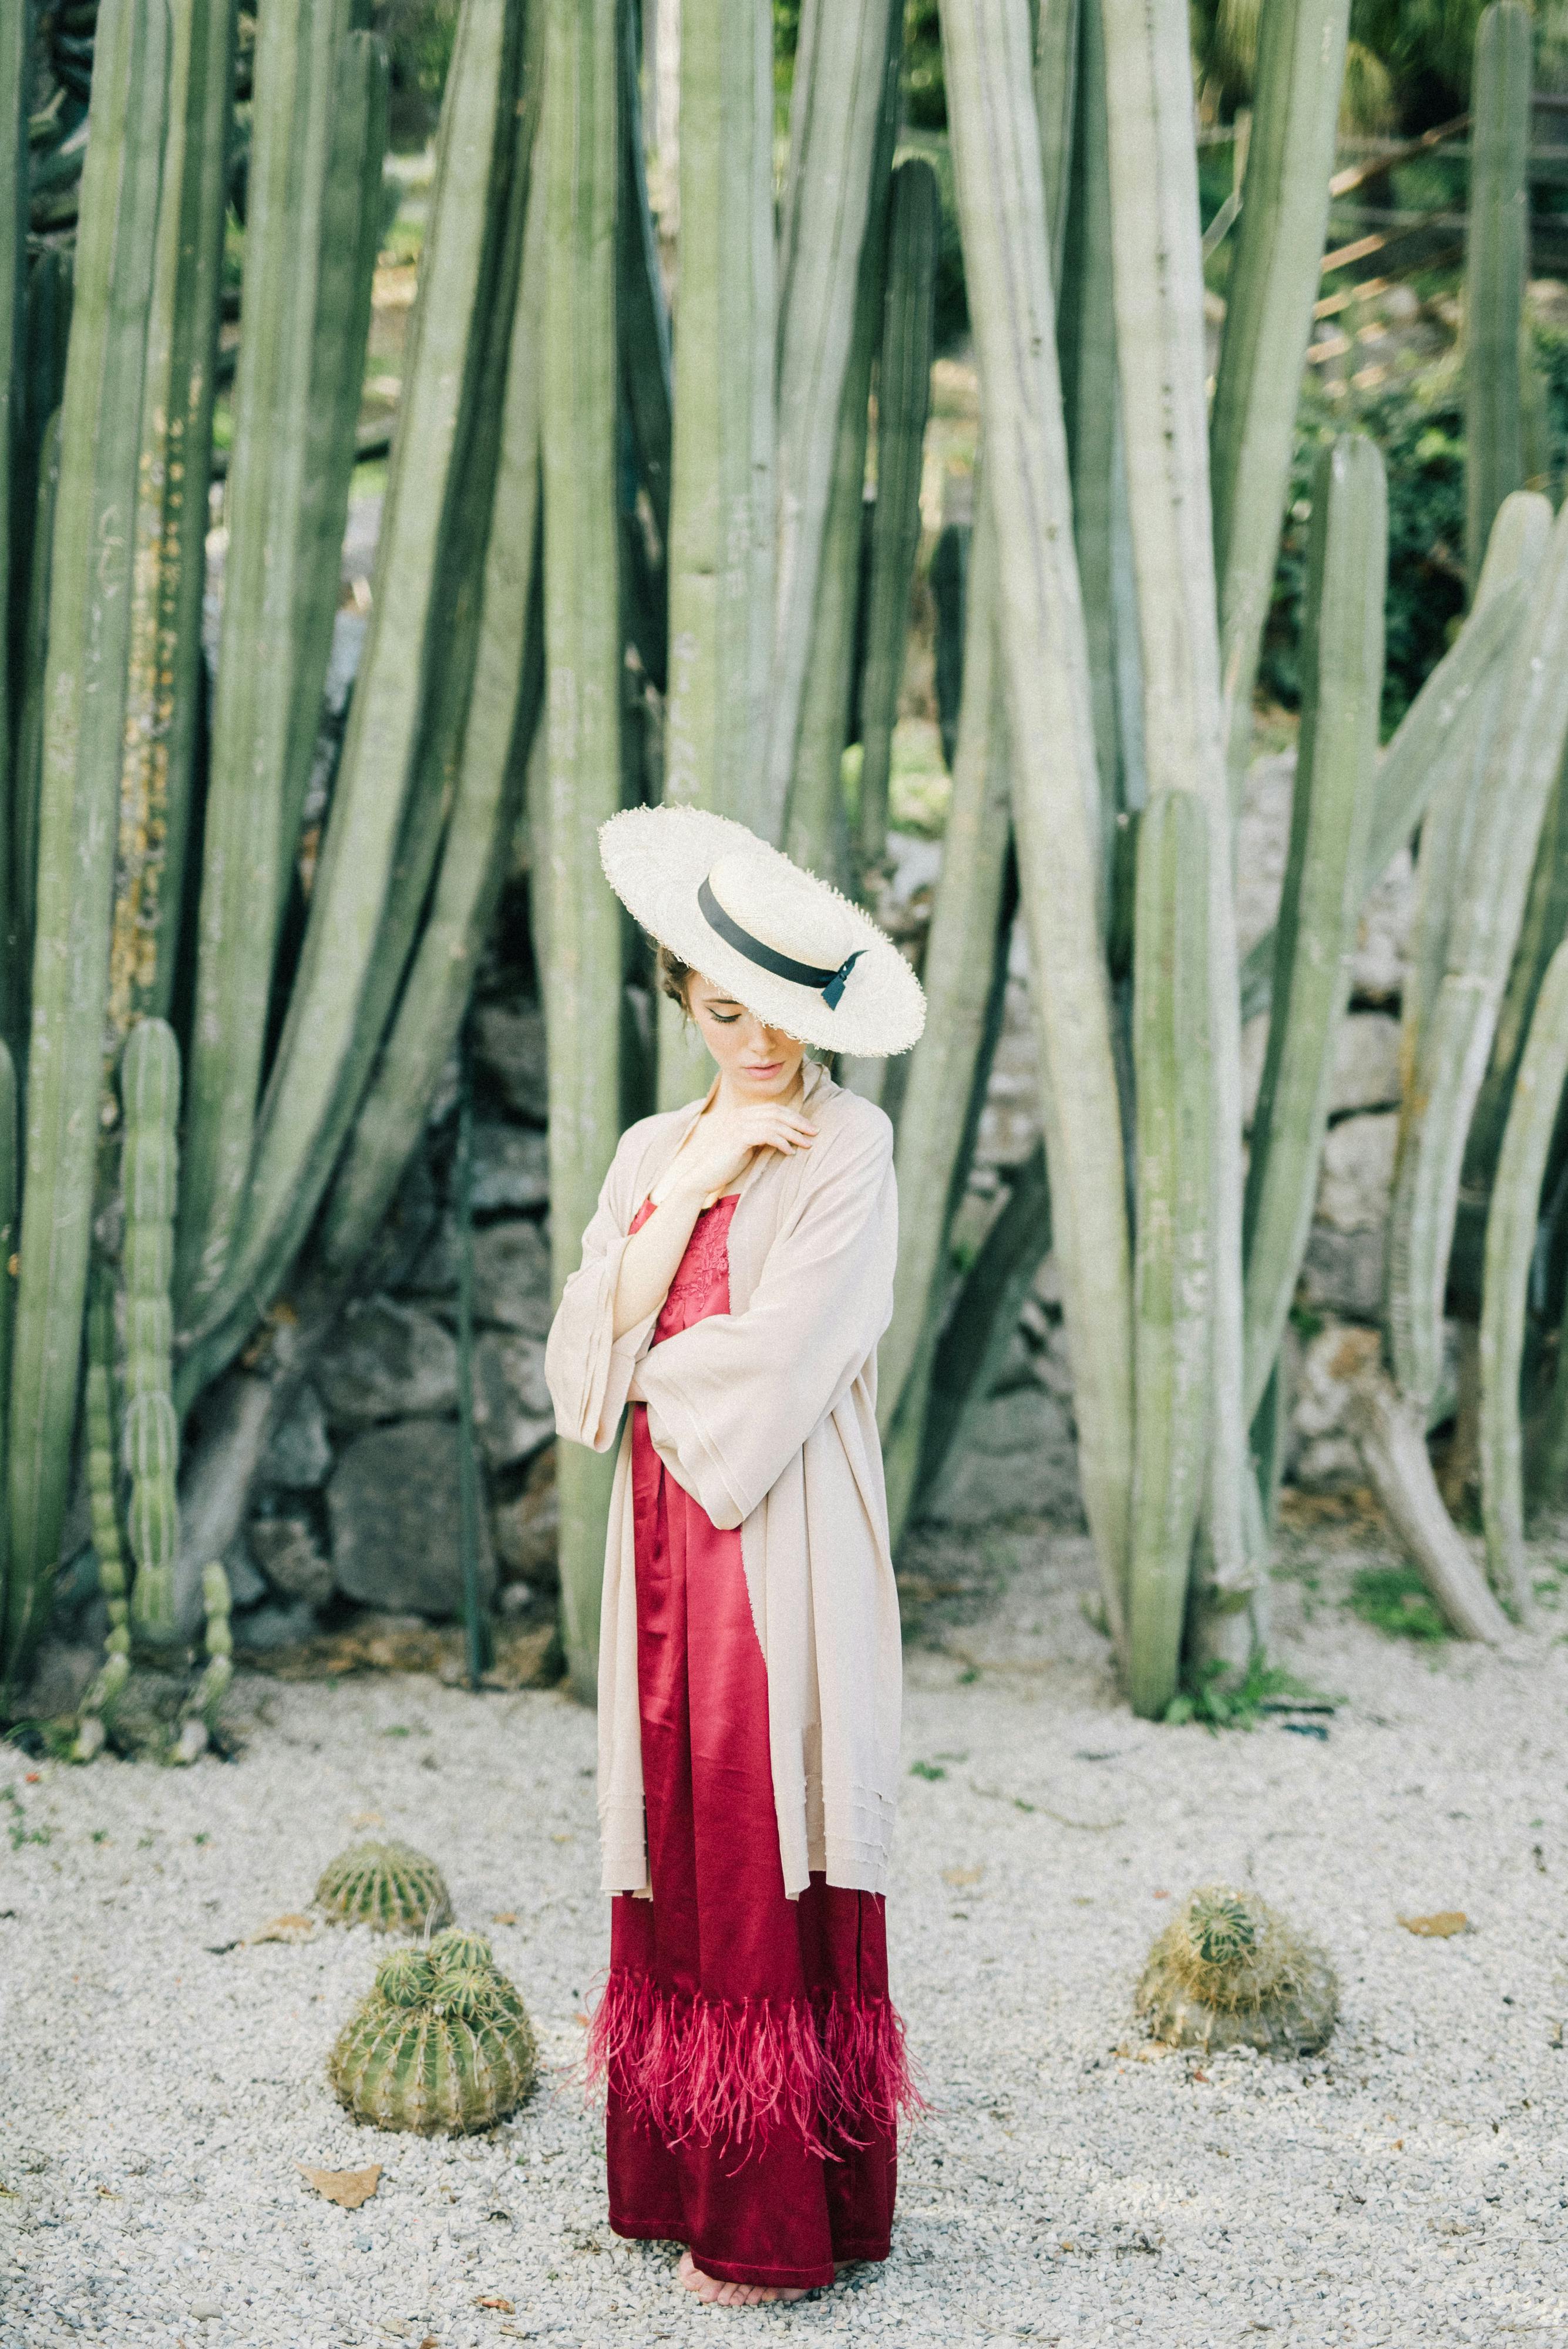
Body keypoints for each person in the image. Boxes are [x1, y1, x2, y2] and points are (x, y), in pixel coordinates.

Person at [543, 802, 929, 2306]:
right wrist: (696, 1179)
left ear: (822, 1005)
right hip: (656, 1537)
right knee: (674, 1830)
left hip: (781, 1539)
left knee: (766, 1824)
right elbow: (577, 1345)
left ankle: (781, 2220)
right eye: (723, 1005)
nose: (757, 1036)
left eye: (782, 1007)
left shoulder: (854, 1142)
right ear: (682, 995)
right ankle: (676, 2181)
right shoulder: (657, 1142)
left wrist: (639, 1356)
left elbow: (788, 1359)